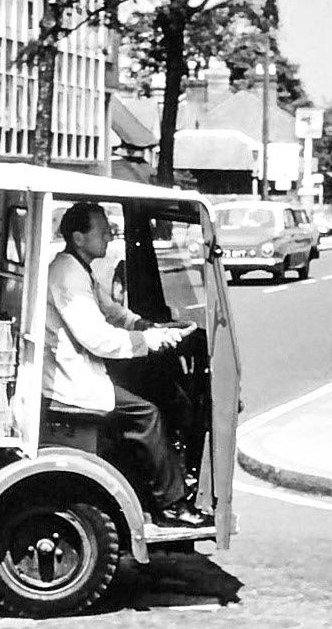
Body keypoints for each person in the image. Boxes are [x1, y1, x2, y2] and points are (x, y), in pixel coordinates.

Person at [45, 201, 209, 528]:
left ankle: (162, 479)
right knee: (147, 414)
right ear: (79, 237)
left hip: (83, 369)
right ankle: (172, 505)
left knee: (155, 380)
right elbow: (96, 337)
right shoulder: (67, 274)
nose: (109, 234)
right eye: (102, 230)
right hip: (71, 382)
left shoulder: (78, 267)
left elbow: (110, 311)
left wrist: (146, 327)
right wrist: (147, 342)